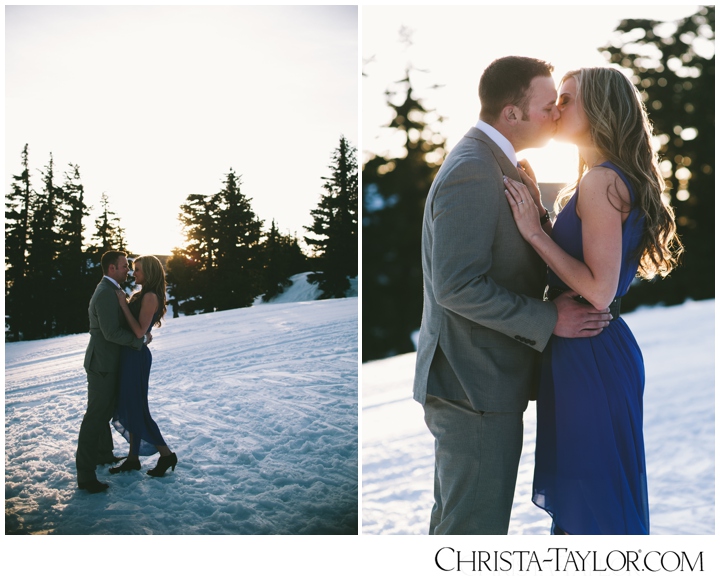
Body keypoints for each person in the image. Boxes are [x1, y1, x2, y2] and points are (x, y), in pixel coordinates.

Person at [413, 56, 613, 535]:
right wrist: (549, 319)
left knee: (459, 523)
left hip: (478, 378)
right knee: (472, 532)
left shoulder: (495, 162)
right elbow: (456, 286)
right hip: (470, 382)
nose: (557, 114)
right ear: (511, 113)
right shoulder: (474, 169)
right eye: (548, 106)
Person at [503, 67, 682, 534]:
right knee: (590, 497)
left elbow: (598, 288)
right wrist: (543, 214)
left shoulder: (602, 181)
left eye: (567, 100)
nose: (556, 109)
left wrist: (534, 232)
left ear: (600, 108)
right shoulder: (604, 178)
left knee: (592, 506)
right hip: (590, 348)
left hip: (590, 351)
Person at [76, 251, 150, 493]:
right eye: (123, 266)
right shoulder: (106, 293)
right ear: (111, 269)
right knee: (95, 416)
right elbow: (110, 333)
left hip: (106, 363)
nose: (128, 270)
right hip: (102, 365)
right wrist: (139, 341)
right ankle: (86, 476)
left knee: (105, 410)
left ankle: (103, 455)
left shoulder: (112, 290)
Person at [109, 255, 178, 477]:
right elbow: (142, 331)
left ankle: (166, 454)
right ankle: (132, 459)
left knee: (138, 409)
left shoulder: (150, 296)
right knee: (131, 407)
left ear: (149, 272)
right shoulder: (143, 294)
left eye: (137, 269)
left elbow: (139, 331)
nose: (133, 273)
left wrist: (122, 303)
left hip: (136, 357)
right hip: (131, 354)